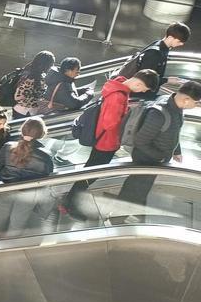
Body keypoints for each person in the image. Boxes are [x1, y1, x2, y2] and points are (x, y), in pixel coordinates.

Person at [66, 70, 161, 218]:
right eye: (143, 88)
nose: (142, 91)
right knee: (90, 174)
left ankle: (69, 201)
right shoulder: (118, 96)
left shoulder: (118, 84)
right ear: (138, 83)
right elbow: (110, 123)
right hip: (106, 143)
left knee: (89, 171)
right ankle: (70, 205)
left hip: (102, 139)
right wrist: (128, 117)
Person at [115, 80, 201, 217]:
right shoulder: (159, 113)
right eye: (196, 103)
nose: (197, 106)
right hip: (146, 159)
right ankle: (116, 218)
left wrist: (176, 151)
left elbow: (174, 130)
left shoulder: (175, 107)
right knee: (134, 189)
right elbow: (140, 140)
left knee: (141, 189)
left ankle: (133, 214)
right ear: (186, 99)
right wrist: (159, 156)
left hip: (155, 158)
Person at [0, 117, 55, 237]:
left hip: (6, 188)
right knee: (19, 218)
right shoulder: (46, 155)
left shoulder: (8, 146)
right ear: (42, 134)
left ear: (22, 130)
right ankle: (11, 241)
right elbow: (47, 174)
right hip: (29, 193)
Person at [115, 22, 189, 100]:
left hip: (144, 93)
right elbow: (145, 78)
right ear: (170, 37)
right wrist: (167, 80)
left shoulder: (159, 46)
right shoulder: (155, 54)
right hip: (140, 95)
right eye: (179, 41)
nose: (181, 44)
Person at [12, 51, 56, 119]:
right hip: (25, 112)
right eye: (51, 64)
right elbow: (19, 96)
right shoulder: (33, 77)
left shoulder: (28, 70)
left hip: (19, 110)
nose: (51, 67)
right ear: (46, 64)